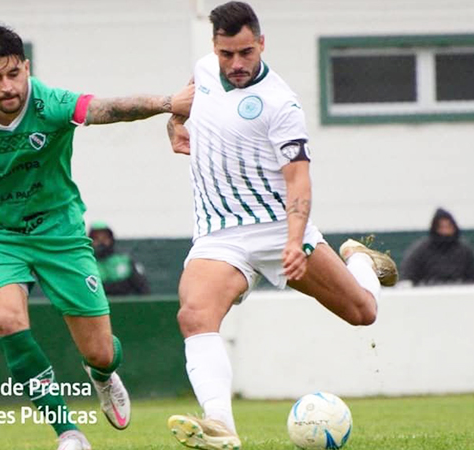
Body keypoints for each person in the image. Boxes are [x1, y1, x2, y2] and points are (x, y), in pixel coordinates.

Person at [0, 23, 193, 450]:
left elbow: (108, 109)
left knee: (100, 352)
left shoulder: (49, 102)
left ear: (27, 69)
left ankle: (103, 374)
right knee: (8, 319)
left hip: (61, 232)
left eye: (15, 74)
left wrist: (169, 102)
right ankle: (68, 432)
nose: (8, 87)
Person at [164, 3, 398, 449]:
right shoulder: (204, 70)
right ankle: (221, 428)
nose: (235, 64)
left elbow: (298, 180)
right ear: (214, 48)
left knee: (363, 312)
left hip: (279, 230)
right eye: (226, 54)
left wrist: (294, 242)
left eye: (246, 53)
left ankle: (358, 258)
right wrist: (174, 124)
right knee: (194, 316)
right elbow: (185, 100)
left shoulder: (280, 103)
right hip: (220, 234)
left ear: (262, 44)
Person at [401, 208, 474, 285]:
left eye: (448, 227)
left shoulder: (464, 251)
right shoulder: (420, 251)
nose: (445, 231)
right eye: (442, 227)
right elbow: (408, 274)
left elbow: (472, 278)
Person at [88, 222, 150, 296]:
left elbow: (143, 290)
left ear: (111, 239)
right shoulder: (85, 265)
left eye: (105, 238)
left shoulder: (125, 262)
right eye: (96, 239)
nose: (101, 242)